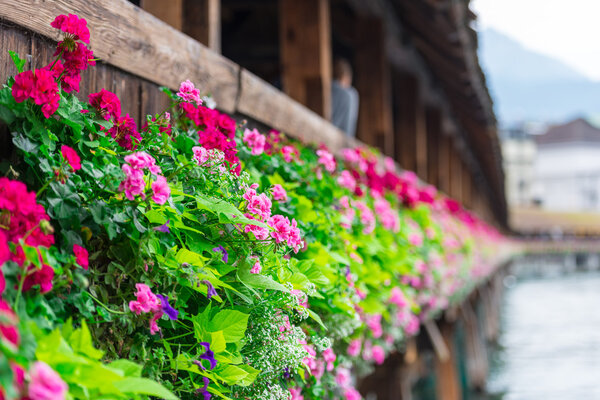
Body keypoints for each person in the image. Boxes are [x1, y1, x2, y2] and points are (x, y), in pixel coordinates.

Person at [331, 58, 359, 137]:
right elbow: (348, 128)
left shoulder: (322, 88)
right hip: (337, 140)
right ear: (346, 77)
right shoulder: (349, 94)